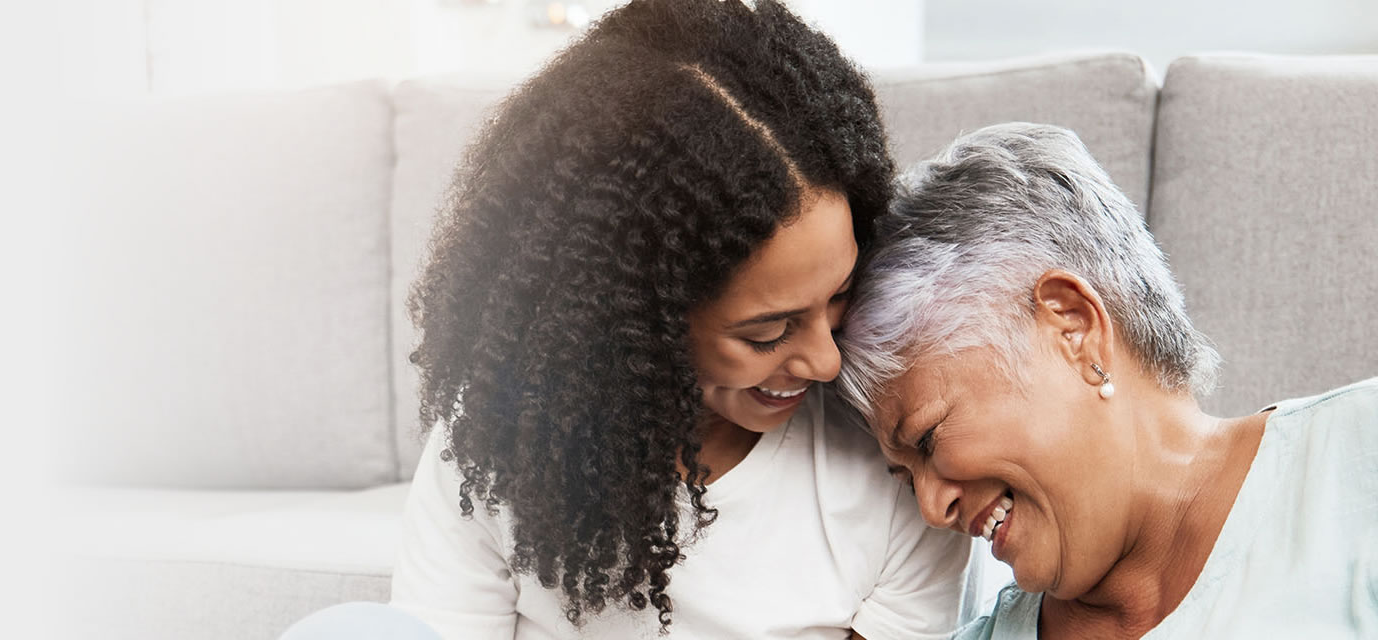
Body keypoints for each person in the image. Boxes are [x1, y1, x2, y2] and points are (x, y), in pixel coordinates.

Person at [389, 1, 971, 637]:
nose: (827, 360)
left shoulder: (889, 464)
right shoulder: (495, 446)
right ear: (636, 325)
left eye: (838, 293)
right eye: (767, 332)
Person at [835, 122, 1378, 639]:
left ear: (1073, 327)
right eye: (906, 479)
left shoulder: (1357, 461)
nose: (931, 509)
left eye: (928, 438)